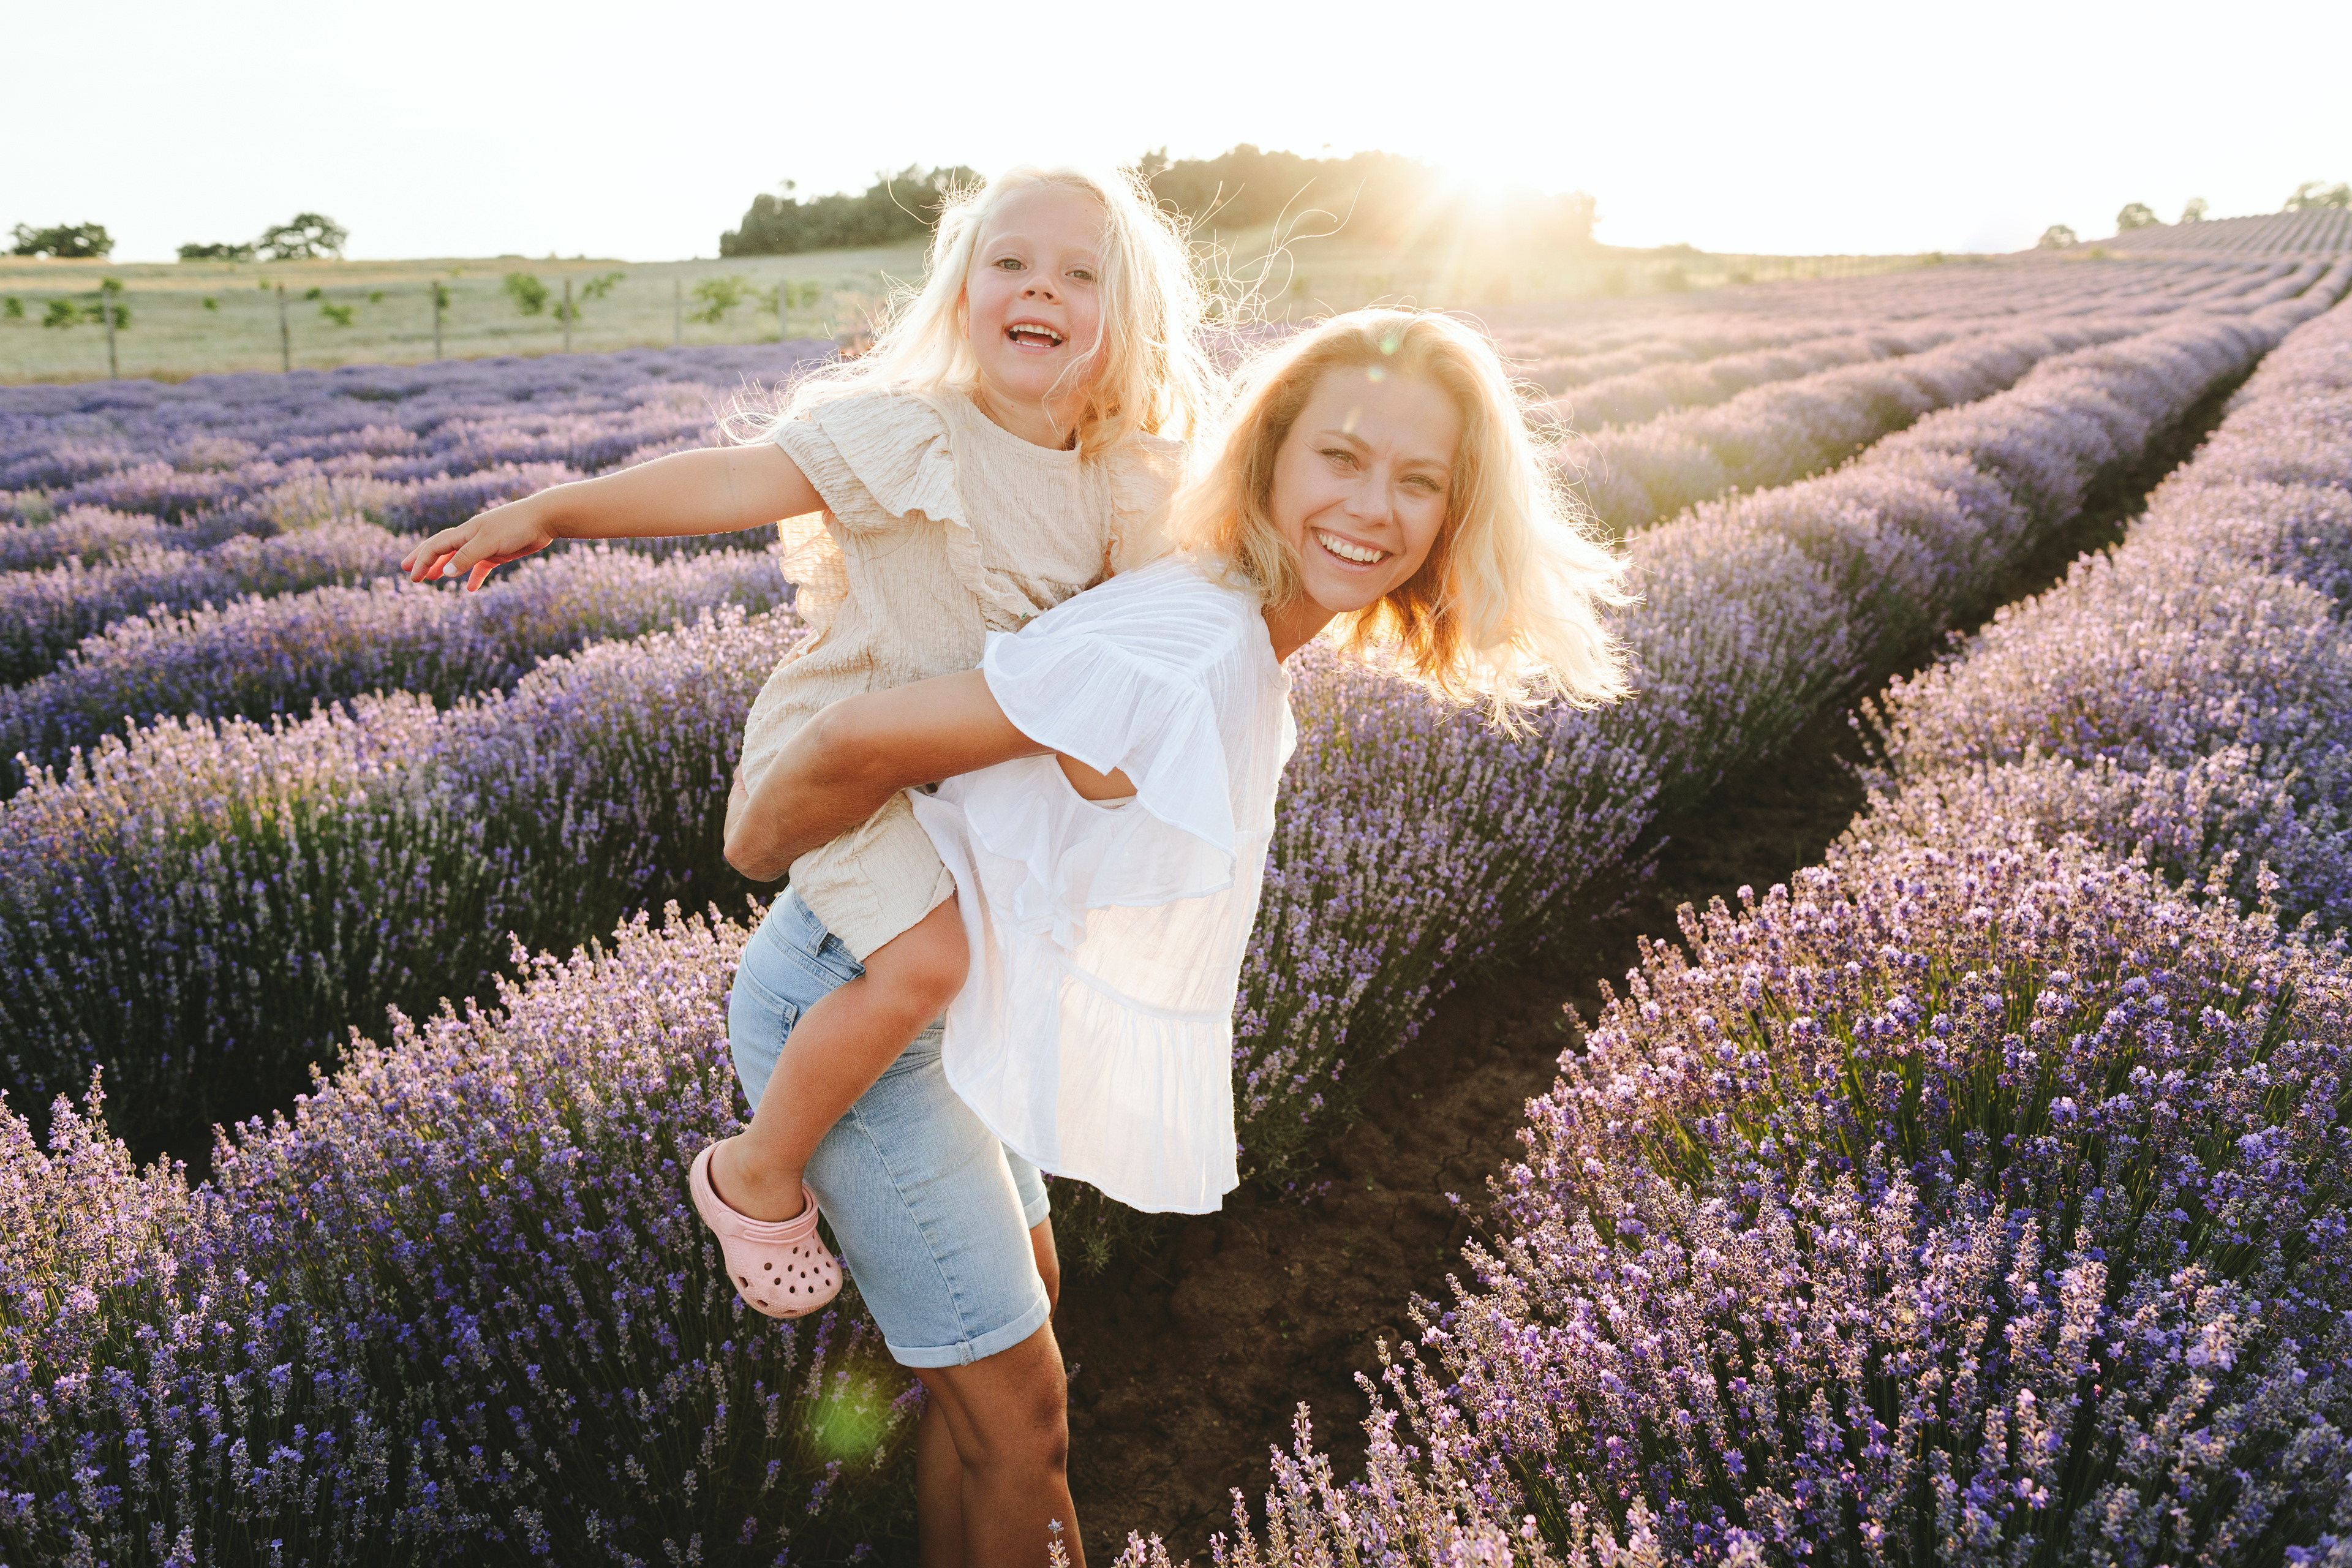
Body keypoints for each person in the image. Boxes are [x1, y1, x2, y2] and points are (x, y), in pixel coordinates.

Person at [726, 307, 1632, 1562]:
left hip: (957, 993)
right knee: (1024, 1413)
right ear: (1267, 458)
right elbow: (852, 742)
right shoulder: (1189, 646)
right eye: (1341, 458)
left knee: (1016, 1350)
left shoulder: (1241, 625)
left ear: (1454, 512)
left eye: (1418, 479)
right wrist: (761, 852)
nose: (1373, 506)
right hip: (866, 1002)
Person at [394, 162, 1215, 1314]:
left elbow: (1164, 631)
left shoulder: (1122, 476)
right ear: (964, 288)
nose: (1042, 289)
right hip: (854, 763)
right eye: (1011, 263)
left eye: (1081, 274)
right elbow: (734, 479)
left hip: (972, 776)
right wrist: (555, 511)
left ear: (1126, 312)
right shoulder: (910, 432)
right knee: (931, 964)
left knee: (1020, 963)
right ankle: (754, 1174)